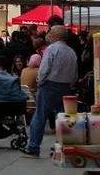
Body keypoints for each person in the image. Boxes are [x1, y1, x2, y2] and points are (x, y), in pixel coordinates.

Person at [23, 26, 77, 158]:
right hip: (66, 87)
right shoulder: (71, 51)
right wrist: (71, 84)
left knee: (40, 116)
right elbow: (74, 73)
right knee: (63, 117)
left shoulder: (51, 49)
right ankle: (60, 147)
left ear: (55, 36)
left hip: (50, 85)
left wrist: (40, 82)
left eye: (51, 33)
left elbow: (44, 69)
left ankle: (34, 147)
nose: (49, 35)